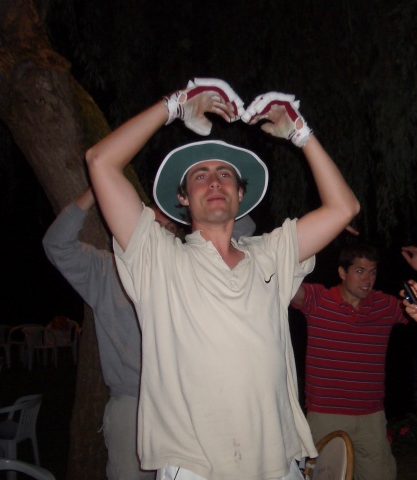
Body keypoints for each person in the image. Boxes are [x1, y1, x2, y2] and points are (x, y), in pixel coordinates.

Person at [85, 78, 360, 480]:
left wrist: (300, 133)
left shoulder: (271, 253)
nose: (214, 181)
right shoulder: (157, 259)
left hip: (278, 461)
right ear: (182, 198)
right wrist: (174, 106)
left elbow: (344, 207)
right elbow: (99, 162)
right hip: (195, 467)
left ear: (240, 195)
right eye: (200, 175)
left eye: (225, 174)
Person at [42, 188, 178, 479]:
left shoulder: (184, 270)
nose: (161, 232)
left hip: (181, 406)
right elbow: (56, 245)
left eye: (169, 227)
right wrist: (97, 189)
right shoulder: (105, 269)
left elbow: (239, 235)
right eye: (153, 224)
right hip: (132, 406)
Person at [290, 243, 417, 480]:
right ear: (342, 272)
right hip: (325, 415)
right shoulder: (318, 299)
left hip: (371, 417)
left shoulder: (385, 305)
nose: (367, 279)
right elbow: (286, 286)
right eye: (360, 271)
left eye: (372, 272)